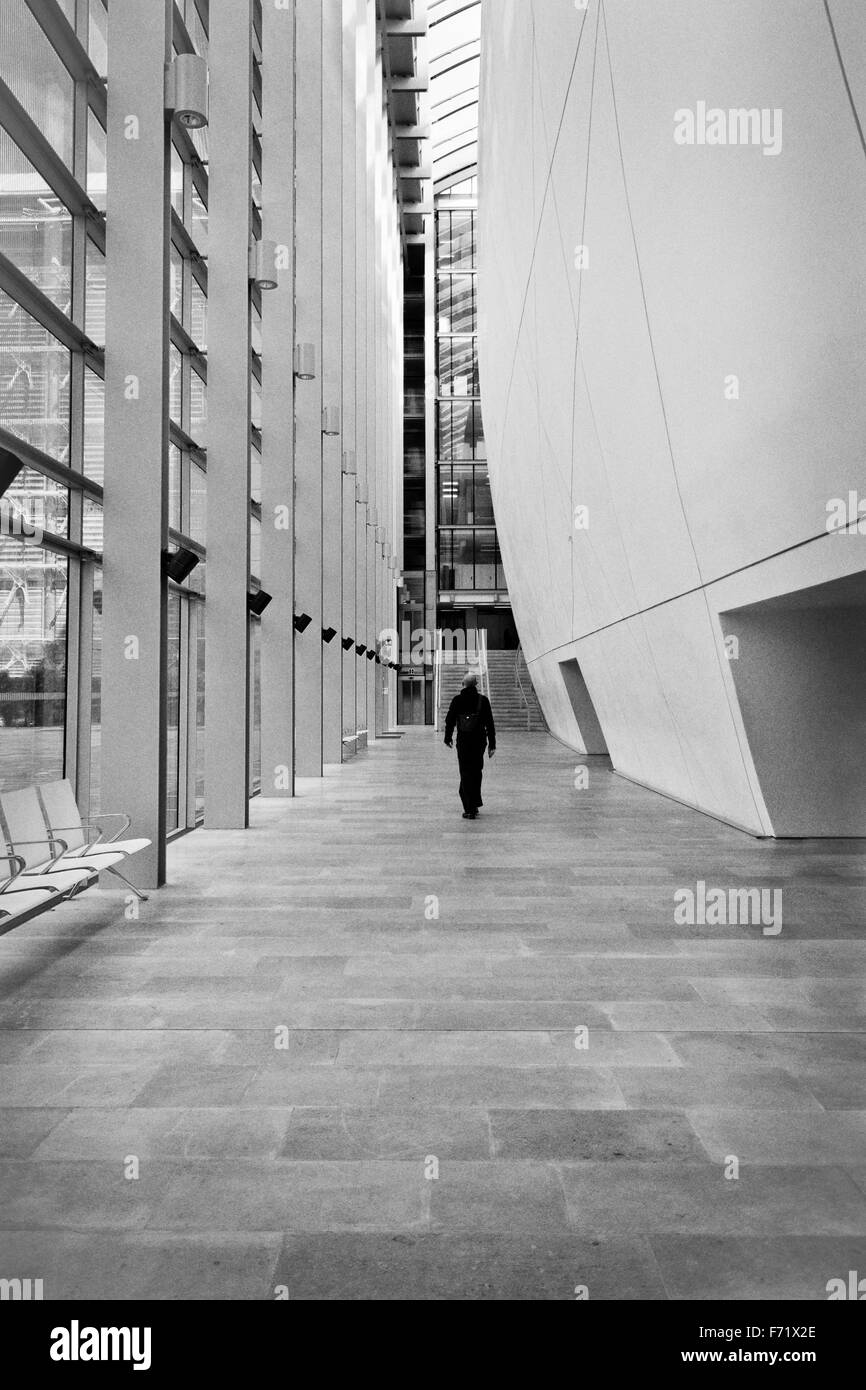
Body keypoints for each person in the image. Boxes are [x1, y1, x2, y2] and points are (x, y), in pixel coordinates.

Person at [444, 670, 496, 820]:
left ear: (462, 684)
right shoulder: (483, 700)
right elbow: (490, 724)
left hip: (464, 742)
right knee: (476, 771)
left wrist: (448, 737)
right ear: (477, 685)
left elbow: (450, 720)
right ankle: (474, 803)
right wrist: (492, 744)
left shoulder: (457, 700)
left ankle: (470, 808)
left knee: (465, 772)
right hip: (479, 742)